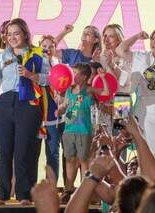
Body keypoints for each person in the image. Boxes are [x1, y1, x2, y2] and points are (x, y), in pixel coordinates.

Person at [0, 18, 44, 205]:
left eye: (16, 33)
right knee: (3, 149)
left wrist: (31, 75)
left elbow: (50, 78)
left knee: (23, 150)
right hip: (4, 102)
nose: (12, 37)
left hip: (28, 103)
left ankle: (24, 194)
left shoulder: (38, 54)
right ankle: (2, 194)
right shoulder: (3, 56)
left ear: (25, 34)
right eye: (9, 34)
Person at [116, 27, 155, 155]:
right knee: (148, 153)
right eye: (152, 39)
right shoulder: (141, 57)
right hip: (144, 111)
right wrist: (137, 36)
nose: (153, 43)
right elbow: (120, 50)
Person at [57, 63, 109, 204]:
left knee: (84, 160)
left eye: (76, 73)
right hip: (69, 130)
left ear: (84, 76)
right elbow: (65, 105)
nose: (73, 76)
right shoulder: (69, 90)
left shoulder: (88, 90)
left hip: (84, 131)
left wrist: (103, 78)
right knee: (69, 159)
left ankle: (85, 191)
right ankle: (68, 189)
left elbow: (105, 93)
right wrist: (60, 110)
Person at [37, 34, 65, 181]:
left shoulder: (59, 64)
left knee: (53, 151)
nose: (47, 49)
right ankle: (27, 189)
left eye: (51, 46)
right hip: (38, 114)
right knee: (32, 153)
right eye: (44, 46)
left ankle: (51, 185)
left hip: (55, 115)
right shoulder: (34, 63)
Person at [99, 24, 131, 94]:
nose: (106, 39)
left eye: (111, 36)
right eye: (105, 36)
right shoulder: (100, 58)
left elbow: (126, 82)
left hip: (122, 99)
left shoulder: (127, 57)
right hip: (105, 100)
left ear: (119, 40)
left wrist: (112, 64)